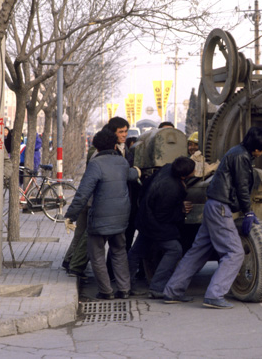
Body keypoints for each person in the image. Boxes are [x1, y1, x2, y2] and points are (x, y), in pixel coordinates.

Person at [162, 126, 262, 309]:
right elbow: (242, 187)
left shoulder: (236, 152)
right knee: (234, 253)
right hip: (221, 208)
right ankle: (214, 295)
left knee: (198, 251)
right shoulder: (241, 156)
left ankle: (172, 291)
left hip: (212, 205)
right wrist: (248, 212)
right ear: (255, 146)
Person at [64, 128, 140, 300]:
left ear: (96, 148)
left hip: (99, 219)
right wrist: (138, 171)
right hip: (121, 217)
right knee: (119, 253)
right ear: (114, 145)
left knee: (96, 254)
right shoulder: (122, 163)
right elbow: (130, 175)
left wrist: (71, 216)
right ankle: (124, 289)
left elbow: (83, 194)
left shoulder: (95, 164)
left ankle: (106, 291)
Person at [128, 157, 195, 298]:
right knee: (175, 250)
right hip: (155, 223)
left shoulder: (167, 167)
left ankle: (125, 285)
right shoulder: (173, 189)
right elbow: (163, 216)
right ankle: (157, 287)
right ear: (183, 175)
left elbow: (146, 185)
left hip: (145, 215)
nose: (194, 173)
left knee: (136, 252)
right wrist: (181, 210)